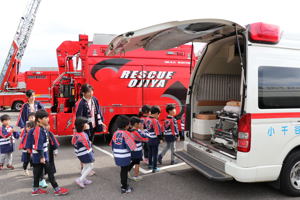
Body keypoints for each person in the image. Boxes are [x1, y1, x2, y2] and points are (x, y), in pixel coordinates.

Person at [26, 110, 68, 196]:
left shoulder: (39, 129)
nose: (48, 119)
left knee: (37, 174)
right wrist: (42, 157)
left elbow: (29, 144)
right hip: (42, 157)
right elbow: (38, 145)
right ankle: (57, 190)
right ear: (39, 120)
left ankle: (35, 189)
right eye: (45, 118)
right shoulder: (39, 130)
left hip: (38, 156)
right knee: (50, 173)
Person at [111, 115, 136, 194]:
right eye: (129, 124)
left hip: (117, 155)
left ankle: (123, 185)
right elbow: (132, 147)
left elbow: (111, 144)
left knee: (123, 170)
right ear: (126, 125)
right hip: (124, 155)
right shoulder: (126, 133)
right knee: (124, 171)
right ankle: (124, 187)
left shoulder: (115, 133)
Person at [72, 117, 95, 188]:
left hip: (79, 153)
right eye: (86, 124)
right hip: (85, 153)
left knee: (85, 166)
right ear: (82, 126)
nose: (87, 125)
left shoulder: (76, 134)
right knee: (91, 165)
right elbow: (88, 145)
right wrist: (91, 150)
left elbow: (72, 142)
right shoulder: (83, 135)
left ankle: (83, 179)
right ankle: (80, 179)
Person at [128, 116, 148, 181]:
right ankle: (136, 176)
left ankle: (127, 171)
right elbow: (143, 137)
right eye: (140, 123)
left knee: (133, 161)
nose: (141, 125)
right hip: (137, 150)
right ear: (136, 124)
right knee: (137, 163)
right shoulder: (137, 132)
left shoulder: (130, 131)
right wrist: (143, 131)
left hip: (132, 149)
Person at [146, 106, 162, 173]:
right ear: (156, 113)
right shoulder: (155, 121)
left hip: (148, 138)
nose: (158, 116)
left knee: (150, 152)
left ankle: (150, 165)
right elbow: (157, 132)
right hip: (154, 139)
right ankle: (154, 168)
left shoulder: (147, 119)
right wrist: (160, 139)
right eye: (158, 114)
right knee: (155, 154)